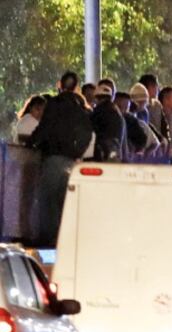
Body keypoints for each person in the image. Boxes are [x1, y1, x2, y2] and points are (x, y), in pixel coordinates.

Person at [29, 71, 92, 247]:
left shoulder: (54, 105)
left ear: (60, 85)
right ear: (76, 87)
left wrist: (32, 143)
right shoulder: (81, 108)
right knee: (65, 203)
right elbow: (87, 133)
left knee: (47, 203)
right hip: (71, 163)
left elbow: (44, 128)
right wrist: (77, 151)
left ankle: (48, 244)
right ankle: (64, 241)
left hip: (53, 160)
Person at [90, 82, 125, 162]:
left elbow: (91, 130)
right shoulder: (117, 111)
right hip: (116, 152)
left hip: (103, 153)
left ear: (96, 98)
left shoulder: (98, 111)